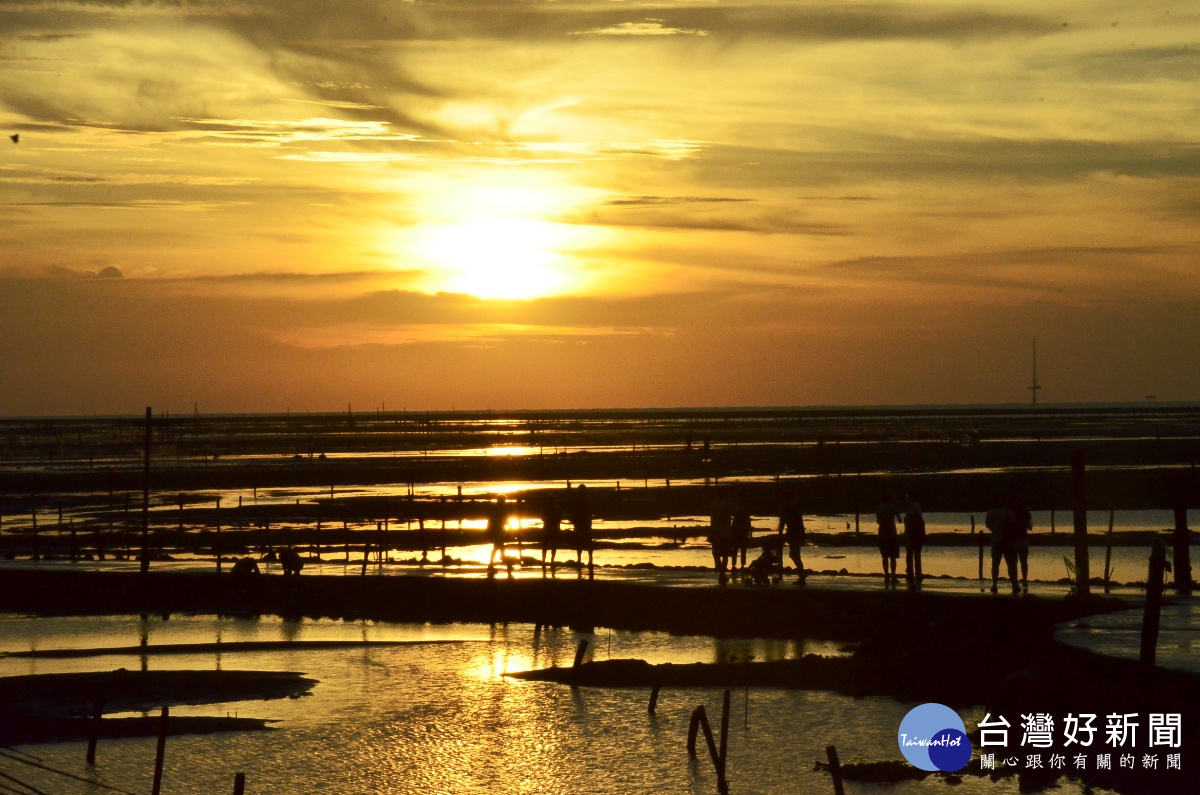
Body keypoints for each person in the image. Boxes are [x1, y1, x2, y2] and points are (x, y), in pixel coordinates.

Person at [985, 493, 1020, 594]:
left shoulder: (991, 512)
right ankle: (1014, 584)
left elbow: (988, 525)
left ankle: (994, 585)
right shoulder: (1008, 512)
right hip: (1008, 541)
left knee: (995, 564)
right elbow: (1015, 523)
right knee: (1011, 564)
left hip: (996, 540)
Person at [779, 491, 806, 585]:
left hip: (794, 533)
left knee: (794, 554)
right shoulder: (795, 507)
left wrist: (780, 533)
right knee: (795, 554)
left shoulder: (787, 508)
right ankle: (802, 574)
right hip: (798, 532)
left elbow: (783, 521)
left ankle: (802, 574)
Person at [707, 497, 734, 586]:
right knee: (725, 554)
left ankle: (720, 570)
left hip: (715, 531)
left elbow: (703, 508)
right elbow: (737, 510)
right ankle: (722, 572)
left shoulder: (712, 503)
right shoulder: (727, 504)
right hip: (726, 532)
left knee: (716, 552)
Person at [875, 493, 901, 586]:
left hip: (882, 533)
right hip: (892, 533)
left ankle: (886, 576)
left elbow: (878, 521)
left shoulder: (879, 508)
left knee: (884, 556)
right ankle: (893, 576)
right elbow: (900, 520)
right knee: (893, 557)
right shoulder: (893, 507)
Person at [1009, 494, 1032, 590]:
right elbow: (1029, 525)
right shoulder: (1023, 511)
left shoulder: (1012, 512)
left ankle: (1022, 580)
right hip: (1016, 538)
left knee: (1021, 561)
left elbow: (1028, 525)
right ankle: (1019, 581)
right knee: (1017, 562)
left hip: (1020, 538)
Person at [903, 493, 926, 590]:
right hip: (918, 535)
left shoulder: (911, 508)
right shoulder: (918, 506)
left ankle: (910, 575)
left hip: (912, 535)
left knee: (910, 555)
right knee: (917, 555)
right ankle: (918, 575)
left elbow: (910, 522)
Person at [571, 484, 594, 579]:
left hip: (581, 523)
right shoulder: (587, 500)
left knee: (579, 542)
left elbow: (575, 511)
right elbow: (590, 511)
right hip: (586, 523)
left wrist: (574, 521)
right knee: (587, 542)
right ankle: (590, 560)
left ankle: (580, 559)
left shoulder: (577, 500)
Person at [486, 496, 511, 578]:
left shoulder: (495, 508)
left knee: (498, 547)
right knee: (499, 546)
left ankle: (494, 563)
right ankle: (504, 562)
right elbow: (505, 519)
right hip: (499, 530)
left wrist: (488, 529)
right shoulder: (501, 509)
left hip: (495, 529)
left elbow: (491, 519)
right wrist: (509, 526)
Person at [730, 493, 753, 572]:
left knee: (736, 549)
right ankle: (742, 565)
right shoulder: (744, 508)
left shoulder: (736, 508)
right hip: (743, 530)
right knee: (742, 549)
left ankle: (734, 565)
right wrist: (750, 530)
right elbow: (748, 520)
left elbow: (734, 521)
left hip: (738, 530)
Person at [540, 496, 563, 577]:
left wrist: (548, 520)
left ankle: (543, 560)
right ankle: (552, 560)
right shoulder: (558, 509)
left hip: (547, 528)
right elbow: (560, 518)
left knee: (545, 545)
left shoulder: (544, 509)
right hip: (555, 528)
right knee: (553, 545)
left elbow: (542, 518)